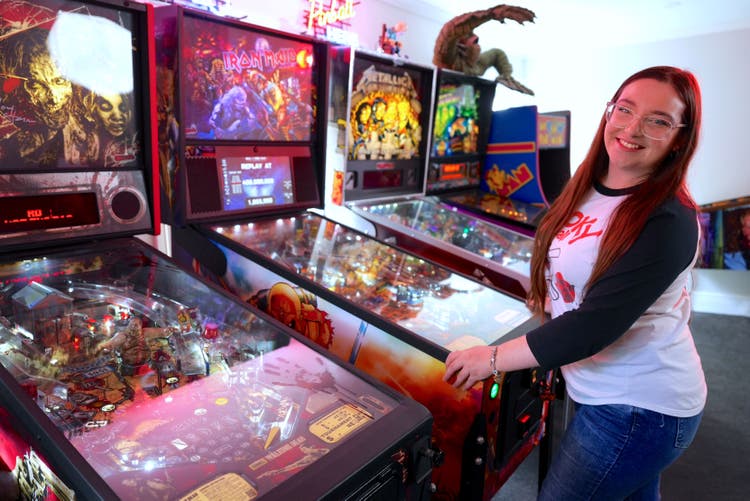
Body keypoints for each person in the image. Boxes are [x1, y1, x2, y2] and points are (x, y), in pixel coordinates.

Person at [444, 66, 707, 500]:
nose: (632, 128)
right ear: (609, 111)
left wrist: (491, 359)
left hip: (640, 407)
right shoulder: (592, 183)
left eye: (658, 120)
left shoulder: (669, 218)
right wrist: (545, 294)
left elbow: (593, 326)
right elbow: (575, 262)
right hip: (601, 389)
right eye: (625, 109)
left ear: (680, 137)